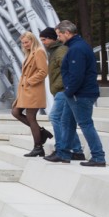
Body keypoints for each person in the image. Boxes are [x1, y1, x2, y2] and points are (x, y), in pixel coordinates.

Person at [50, 20, 106, 166]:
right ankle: (63, 153)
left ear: (67, 33)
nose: (58, 38)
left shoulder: (77, 49)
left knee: (85, 124)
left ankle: (98, 157)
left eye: (59, 35)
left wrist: (69, 91)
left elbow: (77, 75)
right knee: (66, 122)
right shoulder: (78, 46)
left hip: (79, 94)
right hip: (77, 93)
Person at [41, 27, 84, 163]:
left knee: (55, 116)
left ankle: (61, 150)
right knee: (67, 121)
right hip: (60, 90)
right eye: (41, 40)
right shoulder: (54, 51)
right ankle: (77, 151)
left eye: (45, 39)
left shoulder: (60, 51)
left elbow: (67, 71)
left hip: (63, 90)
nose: (43, 42)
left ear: (53, 38)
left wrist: (62, 86)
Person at [14, 33, 53, 157]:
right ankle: (42, 132)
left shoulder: (39, 52)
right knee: (15, 112)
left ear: (33, 40)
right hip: (27, 91)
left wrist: (29, 81)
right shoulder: (30, 53)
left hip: (33, 91)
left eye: (27, 42)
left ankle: (38, 147)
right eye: (23, 43)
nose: (25, 45)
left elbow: (43, 71)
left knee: (31, 117)